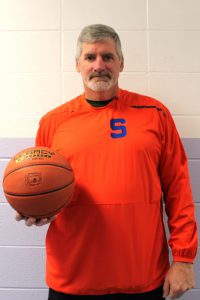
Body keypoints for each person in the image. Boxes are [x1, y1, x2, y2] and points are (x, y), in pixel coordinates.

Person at [16, 24, 198, 300]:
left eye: (108, 57)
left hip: (143, 277)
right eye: (90, 57)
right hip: (73, 278)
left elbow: (179, 190)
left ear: (121, 63)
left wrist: (184, 258)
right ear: (77, 64)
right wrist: (37, 206)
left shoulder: (154, 113)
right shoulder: (53, 122)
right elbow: (44, 184)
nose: (99, 65)